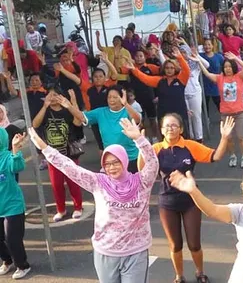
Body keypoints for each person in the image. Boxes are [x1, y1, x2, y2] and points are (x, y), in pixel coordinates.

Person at [28, 118, 159, 283]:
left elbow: (153, 163)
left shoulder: (142, 182)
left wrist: (139, 139)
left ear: (125, 161)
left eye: (116, 162)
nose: (112, 167)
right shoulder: (98, 182)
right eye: (107, 164)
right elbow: (69, 167)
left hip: (136, 252)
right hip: (105, 252)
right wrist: (45, 149)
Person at [138, 114, 234, 283]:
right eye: (166, 126)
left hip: (191, 200)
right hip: (167, 202)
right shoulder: (156, 149)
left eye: (174, 125)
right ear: (161, 130)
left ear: (181, 129)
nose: (170, 128)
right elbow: (142, 171)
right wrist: (142, 148)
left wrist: (224, 138)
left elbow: (216, 156)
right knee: (175, 244)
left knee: (194, 243)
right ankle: (179, 276)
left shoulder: (189, 146)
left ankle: (199, 272)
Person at [32, 88, 84, 222]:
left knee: (73, 181)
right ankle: (61, 210)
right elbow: (35, 124)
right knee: (57, 184)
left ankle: (78, 207)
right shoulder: (46, 111)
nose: (53, 97)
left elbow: (79, 120)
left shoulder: (67, 111)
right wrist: (44, 106)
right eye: (50, 95)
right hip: (53, 155)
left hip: (69, 154)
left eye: (56, 95)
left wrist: (71, 103)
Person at [195, 52, 243, 168]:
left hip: (239, 112)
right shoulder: (220, 78)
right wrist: (198, 61)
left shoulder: (239, 76)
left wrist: (235, 58)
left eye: (230, 67)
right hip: (225, 113)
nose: (228, 69)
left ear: (233, 68)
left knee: (241, 137)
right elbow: (207, 73)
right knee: (228, 138)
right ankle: (233, 156)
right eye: (225, 67)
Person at [73, 86, 142, 172]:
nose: (111, 100)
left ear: (122, 98)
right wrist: (69, 105)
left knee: (132, 184)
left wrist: (126, 104)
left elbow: (137, 119)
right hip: (111, 159)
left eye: (115, 97)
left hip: (131, 158)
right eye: (109, 97)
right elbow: (81, 117)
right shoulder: (100, 112)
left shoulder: (128, 111)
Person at [124, 47, 190, 137]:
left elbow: (187, 70)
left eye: (171, 68)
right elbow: (145, 78)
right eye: (167, 68)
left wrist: (179, 57)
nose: (169, 70)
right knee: (166, 138)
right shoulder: (159, 80)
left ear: (175, 69)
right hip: (163, 114)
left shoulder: (181, 79)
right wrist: (134, 70)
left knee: (183, 138)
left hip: (180, 113)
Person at [0, 129, 30, 280]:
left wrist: (16, 149)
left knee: (12, 239)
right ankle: (7, 260)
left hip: (13, 206)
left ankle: (23, 265)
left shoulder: (7, 156)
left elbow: (17, 167)